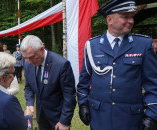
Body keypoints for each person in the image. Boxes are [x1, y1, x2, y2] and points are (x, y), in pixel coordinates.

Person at [77, 0, 157, 130]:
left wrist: (152, 115)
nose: (130, 21)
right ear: (109, 19)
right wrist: (82, 104)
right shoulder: (92, 46)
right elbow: (83, 82)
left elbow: (153, 84)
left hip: (131, 119)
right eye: (125, 17)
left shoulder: (143, 45)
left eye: (132, 16)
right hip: (100, 118)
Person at [21, 35, 76, 130]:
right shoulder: (28, 64)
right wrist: (30, 103)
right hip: (41, 116)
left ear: (42, 49)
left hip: (57, 118)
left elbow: (69, 96)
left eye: (31, 57)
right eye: (26, 58)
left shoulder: (61, 65)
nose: (29, 61)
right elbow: (28, 86)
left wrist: (64, 121)